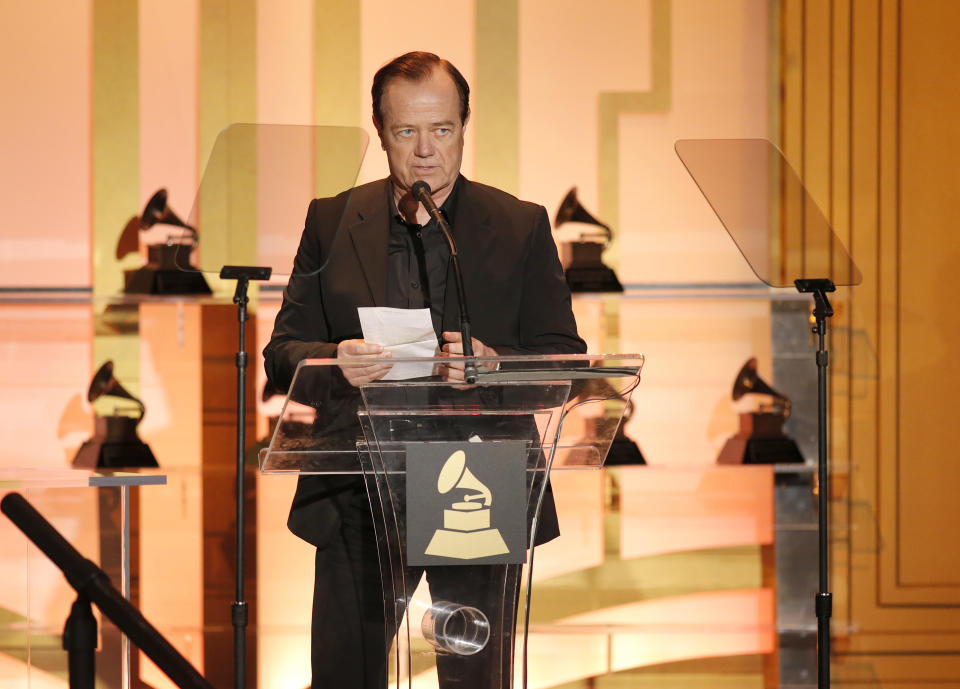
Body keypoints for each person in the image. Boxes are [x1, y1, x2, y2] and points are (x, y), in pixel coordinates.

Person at [264, 51, 585, 689]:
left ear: (465, 128)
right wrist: (335, 361)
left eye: (442, 130)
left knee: (471, 677)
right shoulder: (332, 222)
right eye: (406, 132)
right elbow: (284, 352)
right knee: (343, 675)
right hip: (359, 480)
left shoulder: (519, 226)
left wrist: (492, 367)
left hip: (473, 483)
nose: (425, 152)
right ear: (381, 131)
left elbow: (562, 366)